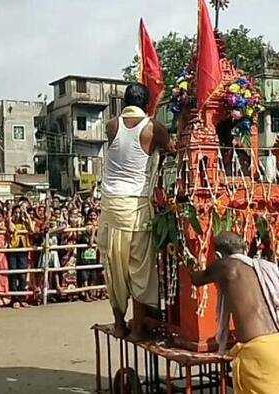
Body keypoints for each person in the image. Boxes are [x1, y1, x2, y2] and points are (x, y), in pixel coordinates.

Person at [97, 82, 174, 340]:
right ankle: (138, 328)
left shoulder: (111, 126)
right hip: (136, 206)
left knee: (114, 267)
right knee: (139, 269)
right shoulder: (154, 128)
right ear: (147, 103)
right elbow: (172, 149)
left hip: (109, 206)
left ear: (124, 102)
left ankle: (120, 324)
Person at [188, 232, 279, 394]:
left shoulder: (225, 265)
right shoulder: (266, 266)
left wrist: (187, 256)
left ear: (218, 255)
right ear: (245, 248)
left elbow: (196, 279)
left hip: (261, 353)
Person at [8, 205, 35, 309]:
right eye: (16, 212)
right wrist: (10, 216)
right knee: (14, 274)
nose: (18, 214)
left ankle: (22, 298)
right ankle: (15, 299)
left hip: (23, 250)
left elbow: (32, 229)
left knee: (23, 275)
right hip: (13, 251)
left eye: (19, 212)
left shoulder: (25, 223)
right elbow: (11, 228)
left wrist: (26, 215)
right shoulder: (10, 222)